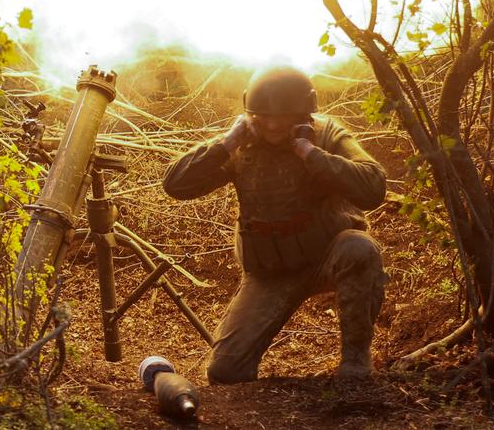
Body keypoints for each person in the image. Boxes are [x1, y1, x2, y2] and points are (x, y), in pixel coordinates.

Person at [162, 66, 389, 384]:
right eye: (261, 116)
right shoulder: (240, 146)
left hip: (327, 255)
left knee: (359, 247)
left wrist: (312, 154)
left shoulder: (326, 135)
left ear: (303, 113)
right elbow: (175, 185)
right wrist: (225, 145)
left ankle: (356, 361)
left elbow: (373, 187)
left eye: (281, 116)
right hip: (271, 272)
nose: (270, 124)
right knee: (226, 372)